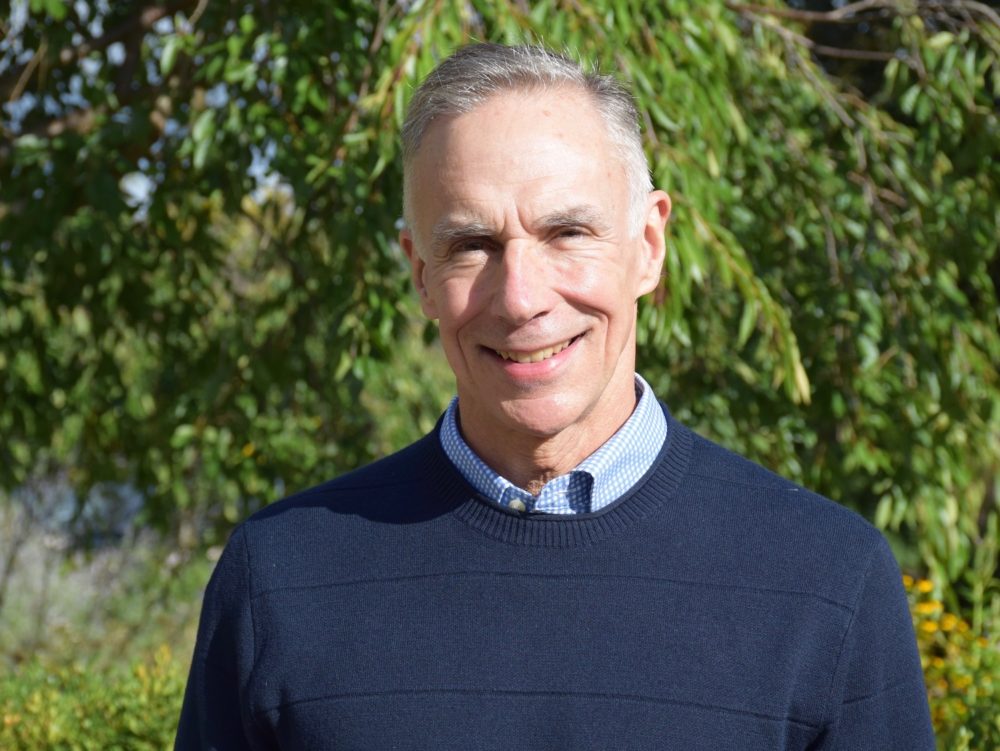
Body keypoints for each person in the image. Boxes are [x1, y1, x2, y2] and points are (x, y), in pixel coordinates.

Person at [176, 43, 934, 750]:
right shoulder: (282, 579)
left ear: (649, 246)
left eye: (567, 232)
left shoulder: (828, 582)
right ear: (420, 273)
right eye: (472, 245)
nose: (521, 297)